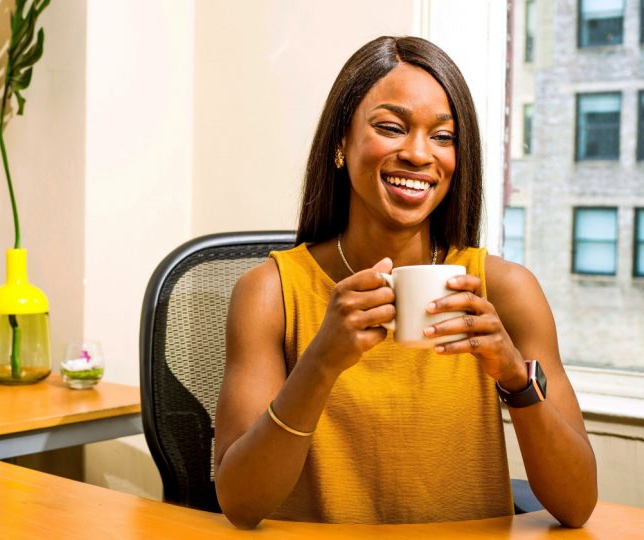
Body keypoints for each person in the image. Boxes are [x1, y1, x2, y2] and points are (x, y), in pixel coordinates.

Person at [213, 35, 597, 529]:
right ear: (340, 142)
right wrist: (320, 363)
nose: (419, 154)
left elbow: (578, 504)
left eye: (443, 136)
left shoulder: (505, 290)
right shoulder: (269, 293)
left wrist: (515, 378)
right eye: (391, 127)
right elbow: (241, 504)